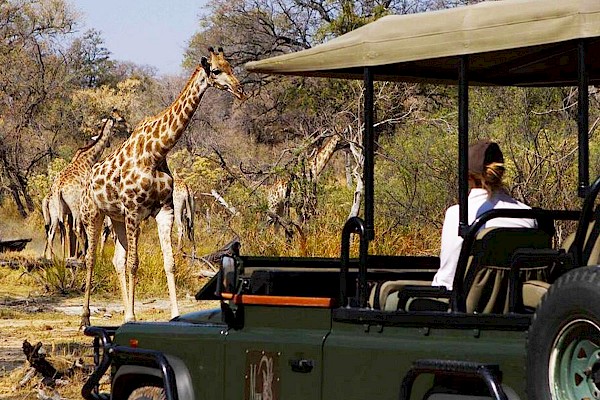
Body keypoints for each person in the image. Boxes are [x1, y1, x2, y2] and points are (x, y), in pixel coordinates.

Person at [431, 139, 536, 290]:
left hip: (465, 305)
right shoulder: (527, 215)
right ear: (501, 173)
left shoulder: (458, 214)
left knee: (391, 294)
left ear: (468, 176)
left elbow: (448, 278)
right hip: (513, 304)